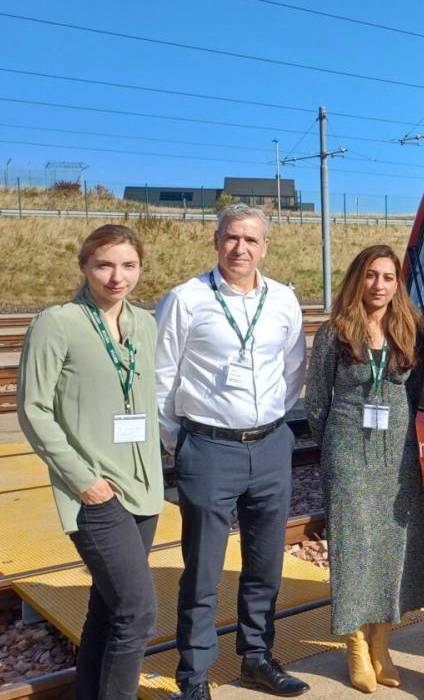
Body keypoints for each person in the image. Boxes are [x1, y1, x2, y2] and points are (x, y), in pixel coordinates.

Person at [155, 204, 308, 699]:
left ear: (265, 247)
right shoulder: (185, 299)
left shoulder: (283, 299)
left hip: (270, 447)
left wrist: (272, 422)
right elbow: (161, 376)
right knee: (203, 569)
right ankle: (194, 675)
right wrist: (178, 442)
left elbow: (294, 370)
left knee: (265, 564)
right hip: (209, 447)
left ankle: (257, 658)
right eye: (231, 237)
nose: (240, 248)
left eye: (250, 239)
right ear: (216, 240)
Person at [18, 224, 164, 700]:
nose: (117, 277)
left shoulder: (145, 324)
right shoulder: (56, 323)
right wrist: (85, 481)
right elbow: (33, 409)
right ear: (84, 266)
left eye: (129, 265)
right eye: (104, 265)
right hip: (95, 492)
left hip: (144, 490)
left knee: (107, 610)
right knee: (137, 612)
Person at [305, 245, 424, 693]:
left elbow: (415, 391)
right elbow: (316, 402)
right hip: (348, 453)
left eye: (388, 277)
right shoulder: (334, 332)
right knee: (353, 547)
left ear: (398, 284)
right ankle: (355, 644)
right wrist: (336, 451)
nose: (379, 285)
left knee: (393, 545)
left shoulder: (410, 328)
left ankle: (381, 642)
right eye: (372, 275)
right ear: (359, 278)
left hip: (396, 455)